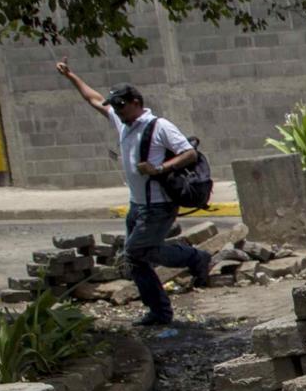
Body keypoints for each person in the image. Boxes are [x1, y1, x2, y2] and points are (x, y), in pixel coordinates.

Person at [55, 63, 211, 325]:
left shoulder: (159, 126)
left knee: (134, 255)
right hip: (137, 206)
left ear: (136, 102)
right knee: (145, 254)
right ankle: (194, 259)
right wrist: (71, 75)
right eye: (114, 106)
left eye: (121, 105)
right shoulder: (122, 122)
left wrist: (158, 168)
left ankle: (161, 310)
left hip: (158, 206)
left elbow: (189, 153)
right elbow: (92, 98)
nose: (117, 110)